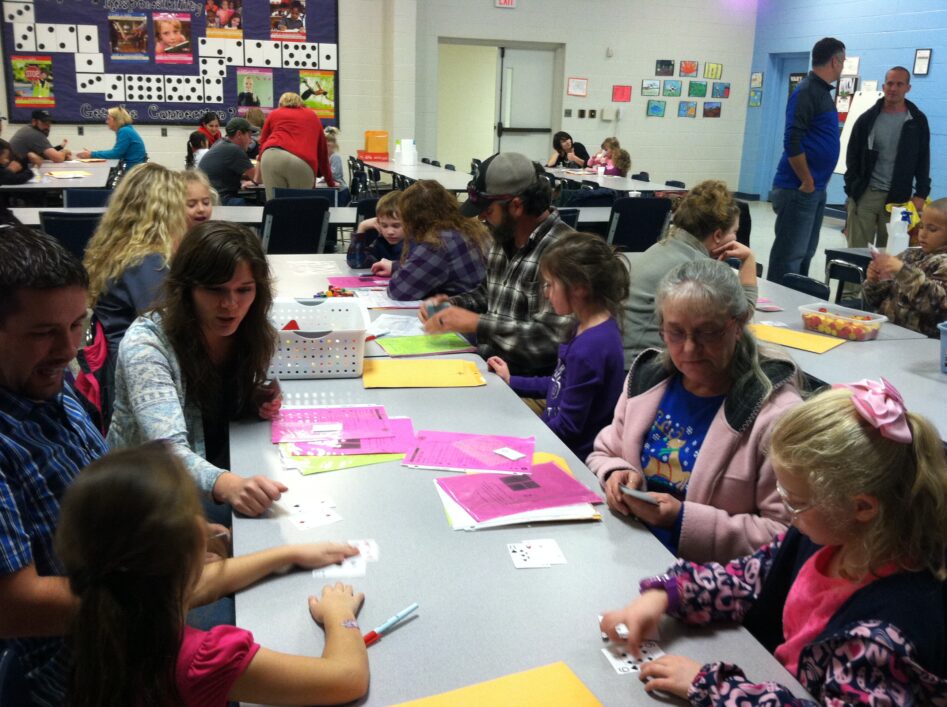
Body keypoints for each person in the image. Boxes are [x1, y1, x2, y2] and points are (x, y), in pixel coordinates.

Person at [600, 381, 947, 704]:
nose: (786, 510)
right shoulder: (824, 537)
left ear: (862, 507)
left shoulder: (884, 638)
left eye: (796, 500)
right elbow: (746, 579)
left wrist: (712, 687)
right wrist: (668, 595)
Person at [57, 443, 370, 707]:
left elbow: (203, 584)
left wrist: (289, 554)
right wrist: (340, 615)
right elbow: (348, 679)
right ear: (196, 538)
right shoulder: (202, 660)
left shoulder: (111, 611)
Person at [588, 258, 799, 562]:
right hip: (630, 550)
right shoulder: (647, 380)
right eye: (675, 333)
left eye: (708, 332)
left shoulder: (776, 415)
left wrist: (681, 519)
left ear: (738, 324)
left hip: (708, 577)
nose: (689, 349)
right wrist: (616, 472)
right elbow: (604, 453)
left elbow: (785, 536)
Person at [108, 222, 287, 518]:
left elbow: (212, 405)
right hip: (149, 496)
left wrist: (250, 399)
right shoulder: (146, 344)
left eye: (244, 290)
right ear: (186, 288)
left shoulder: (249, 330)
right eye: (215, 290)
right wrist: (230, 485)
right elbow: (167, 451)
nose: (230, 304)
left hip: (216, 466)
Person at [0, 226, 108, 706]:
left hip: (122, 610)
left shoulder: (44, 379)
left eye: (76, 325)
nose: (68, 351)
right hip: (73, 671)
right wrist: (161, 587)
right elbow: (14, 607)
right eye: (43, 333)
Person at [422, 152, 575, 375]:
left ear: (516, 206)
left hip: (524, 382)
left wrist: (477, 323)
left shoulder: (565, 253)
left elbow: (551, 341)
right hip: (487, 366)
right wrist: (451, 306)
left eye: (488, 210)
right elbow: (489, 294)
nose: (481, 218)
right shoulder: (505, 236)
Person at [487, 232, 629, 459]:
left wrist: (521, 443)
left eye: (550, 284)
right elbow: (559, 384)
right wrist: (511, 380)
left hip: (571, 457)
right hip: (555, 439)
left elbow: (569, 429)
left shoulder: (591, 347)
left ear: (579, 287)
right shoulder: (585, 327)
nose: (546, 293)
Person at [622, 179, 757, 367]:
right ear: (718, 235)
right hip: (644, 368)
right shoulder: (699, 269)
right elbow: (742, 316)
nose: (736, 238)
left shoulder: (662, 246)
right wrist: (749, 260)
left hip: (625, 359)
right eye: (734, 231)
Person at [83, 163, 188, 373]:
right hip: (138, 369)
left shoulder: (117, 248)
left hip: (118, 359)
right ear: (167, 213)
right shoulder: (146, 262)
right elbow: (169, 328)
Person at [767, 37, 846, 284]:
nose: (843, 67)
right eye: (843, 61)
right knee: (789, 257)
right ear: (835, 61)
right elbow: (792, 141)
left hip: (815, 188)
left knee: (805, 254)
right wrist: (807, 180)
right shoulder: (806, 91)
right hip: (798, 188)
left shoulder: (821, 92)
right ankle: (776, 304)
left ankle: (794, 300)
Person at [844, 66, 930, 249]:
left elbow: (923, 158)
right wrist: (852, 189)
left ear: (908, 88)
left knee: (891, 253)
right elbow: (852, 156)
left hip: (899, 199)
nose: (893, 88)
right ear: (883, 87)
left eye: (899, 84)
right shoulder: (867, 119)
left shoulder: (917, 121)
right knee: (857, 251)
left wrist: (921, 193)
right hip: (866, 195)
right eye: (890, 83)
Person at [370, 180, 489, 301]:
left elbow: (399, 291)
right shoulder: (466, 228)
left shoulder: (437, 243)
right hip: (480, 304)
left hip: (462, 308)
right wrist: (395, 266)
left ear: (412, 217)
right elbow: (428, 266)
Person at [863, 196, 947, 337]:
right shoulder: (909, 255)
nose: (923, 234)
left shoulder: (943, 263)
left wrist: (903, 271)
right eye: (921, 226)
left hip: (922, 342)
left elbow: (936, 306)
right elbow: (875, 301)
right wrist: (875, 281)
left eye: (932, 229)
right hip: (888, 334)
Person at [259, 91, 336, 202]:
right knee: (300, 206)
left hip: (271, 156)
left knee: (275, 205)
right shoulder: (312, 115)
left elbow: (262, 143)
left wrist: (257, 177)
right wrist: (331, 183)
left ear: (280, 104)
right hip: (301, 162)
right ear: (301, 103)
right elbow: (322, 153)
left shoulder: (274, 114)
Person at [199, 117, 257, 206]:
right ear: (239, 134)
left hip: (208, 198)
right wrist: (261, 159)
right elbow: (258, 179)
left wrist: (248, 178)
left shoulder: (220, 142)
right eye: (249, 136)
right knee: (259, 205)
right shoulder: (235, 150)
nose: (250, 141)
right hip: (221, 201)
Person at [346, 189, 403, 269]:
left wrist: (393, 266)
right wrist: (362, 226)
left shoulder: (415, 245)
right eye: (384, 226)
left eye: (396, 226)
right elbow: (356, 262)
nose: (390, 232)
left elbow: (413, 267)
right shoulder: (381, 242)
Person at [76, 107, 148, 169]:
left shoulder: (124, 131)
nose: (106, 122)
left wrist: (92, 154)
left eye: (108, 119)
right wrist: (92, 154)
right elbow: (115, 152)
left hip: (131, 171)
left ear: (116, 120)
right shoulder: (127, 130)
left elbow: (115, 154)